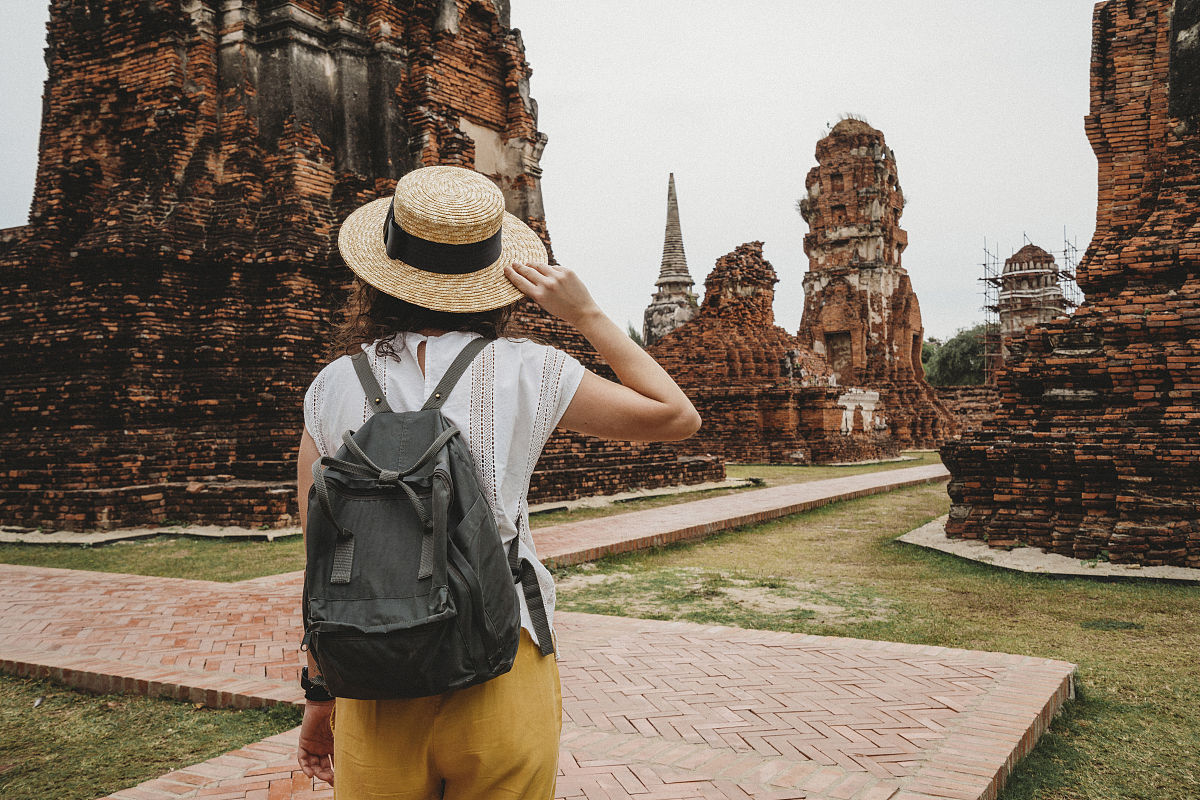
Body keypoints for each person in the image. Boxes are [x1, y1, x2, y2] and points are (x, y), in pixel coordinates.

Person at [293, 165, 700, 799]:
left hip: (371, 663)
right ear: (492, 277)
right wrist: (585, 313)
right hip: (502, 652)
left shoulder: (332, 385)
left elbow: (319, 555)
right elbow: (678, 417)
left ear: (383, 273)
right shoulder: (525, 369)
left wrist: (320, 689)